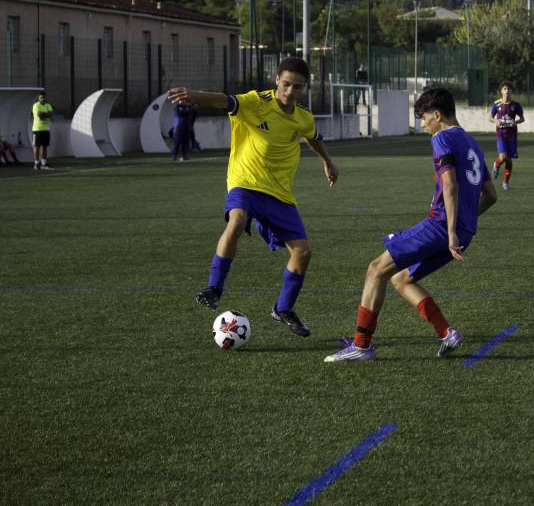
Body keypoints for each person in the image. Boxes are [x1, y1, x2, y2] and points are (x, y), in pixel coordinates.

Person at [167, 57, 339, 337]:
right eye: (285, 85)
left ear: (304, 87)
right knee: (236, 221)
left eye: (296, 87)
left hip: (278, 193)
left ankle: (283, 308)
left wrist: (328, 162)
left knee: (302, 252)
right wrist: (194, 95)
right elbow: (224, 101)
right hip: (244, 182)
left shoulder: (302, 116)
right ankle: (214, 288)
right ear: (276, 81)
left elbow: (312, 136)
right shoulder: (255, 102)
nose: (289, 92)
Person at [325, 87, 497, 362]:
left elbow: (449, 185)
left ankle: (361, 345)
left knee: (375, 269)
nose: (422, 123)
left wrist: (451, 230)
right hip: (464, 231)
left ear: (437, 115)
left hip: (441, 226)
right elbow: (491, 195)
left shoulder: (441, 137)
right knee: (401, 278)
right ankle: (447, 332)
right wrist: (463, 223)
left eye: (423, 117)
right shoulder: (473, 143)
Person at [488, 81, 525, 191]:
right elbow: (490, 117)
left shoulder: (516, 105)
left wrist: (516, 122)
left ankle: (505, 182)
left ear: (511, 91)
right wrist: (496, 121)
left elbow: (522, 119)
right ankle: (496, 165)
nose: (507, 91)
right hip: (501, 134)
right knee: (503, 156)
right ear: (501, 91)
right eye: (505, 89)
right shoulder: (497, 105)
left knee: (509, 160)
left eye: (508, 89)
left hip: (512, 135)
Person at [32, 91, 54, 171]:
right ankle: (36, 163)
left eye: (43, 97)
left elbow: (50, 114)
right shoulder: (36, 105)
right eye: (40, 97)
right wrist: (46, 115)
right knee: (37, 146)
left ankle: (44, 163)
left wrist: (44, 115)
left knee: (44, 147)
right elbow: (40, 115)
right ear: (38, 98)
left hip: (46, 129)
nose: (42, 99)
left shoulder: (48, 105)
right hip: (37, 129)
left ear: (45, 97)